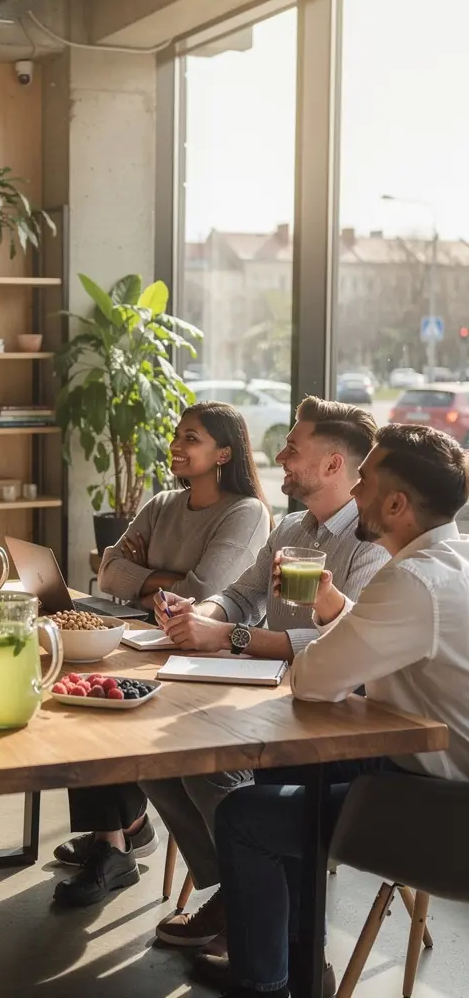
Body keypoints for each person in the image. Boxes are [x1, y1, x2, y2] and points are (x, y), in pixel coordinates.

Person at [214, 423, 469, 998]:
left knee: (243, 818)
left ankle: (264, 984)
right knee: (284, 773)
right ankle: (302, 971)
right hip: (425, 771)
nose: (354, 493)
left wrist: (333, 629)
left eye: (365, 481)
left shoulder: (408, 579)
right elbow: (392, 639)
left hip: (442, 811)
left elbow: (313, 680)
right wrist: (338, 611)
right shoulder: (453, 559)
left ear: (397, 504)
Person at [140, 397, 390, 951]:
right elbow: (240, 596)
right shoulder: (294, 528)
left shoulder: (370, 543)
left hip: (328, 714)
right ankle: (240, 890)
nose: (278, 456)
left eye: (292, 449)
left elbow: (340, 644)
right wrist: (197, 615)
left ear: (332, 465)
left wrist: (229, 637)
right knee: (154, 759)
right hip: (272, 697)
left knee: (209, 771)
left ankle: (250, 902)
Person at [52, 402, 273, 908]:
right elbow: (107, 572)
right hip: (149, 644)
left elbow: (205, 592)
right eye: (177, 434)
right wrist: (161, 585)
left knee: (116, 707)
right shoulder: (161, 503)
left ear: (223, 453)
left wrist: (143, 579)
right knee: (87, 694)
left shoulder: (245, 512)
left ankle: (124, 833)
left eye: (191, 438)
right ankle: (114, 837)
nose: (177, 444)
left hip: (211, 662)